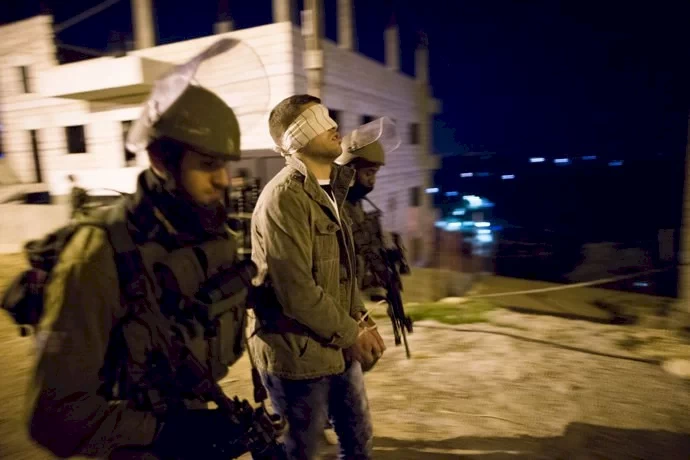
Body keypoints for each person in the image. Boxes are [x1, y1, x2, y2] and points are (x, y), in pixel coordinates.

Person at [25, 39, 281, 460]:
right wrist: (165, 433)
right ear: (161, 161)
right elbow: (52, 417)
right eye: (207, 164)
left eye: (225, 164)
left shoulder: (196, 233)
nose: (223, 180)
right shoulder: (97, 255)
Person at [249, 95, 386, 460]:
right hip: (297, 358)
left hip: (336, 347)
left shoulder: (333, 192)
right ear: (295, 138)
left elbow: (341, 270)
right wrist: (351, 333)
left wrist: (359, 316)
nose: (334, 125)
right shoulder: (284, 199)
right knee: (300, 452)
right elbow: (296, 291)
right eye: (319, 120)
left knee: (359, 444)